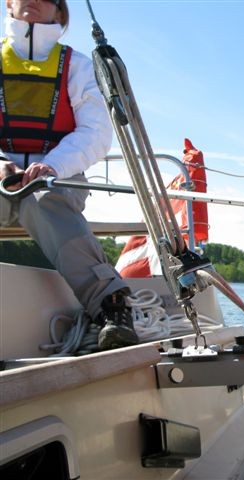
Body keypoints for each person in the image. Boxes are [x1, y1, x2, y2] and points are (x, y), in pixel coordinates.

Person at [0, 0, 138, 350]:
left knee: (43, 200)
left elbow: (96, 132)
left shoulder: (76, 66)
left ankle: (110, 305)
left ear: (59, 11)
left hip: (58, 180)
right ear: (8, 3)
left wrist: (53, 166)